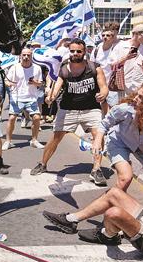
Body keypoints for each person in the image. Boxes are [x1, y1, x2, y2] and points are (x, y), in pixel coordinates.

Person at [31, 38, 108, 186]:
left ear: (84, 52)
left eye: (78, 51)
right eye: (72, 51)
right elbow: (56, 89)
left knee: (98, 136)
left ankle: (96, 169)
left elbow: (104, 87)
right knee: (56, 138)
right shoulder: (64, 69)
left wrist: (103, 94)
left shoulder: (94, 68)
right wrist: (50, 98)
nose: (75, 53)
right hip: (68, 110)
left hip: (91, 109)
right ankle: (43, 163)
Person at [3, 47, 45, 150]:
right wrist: (10, 84)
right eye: (24, 55)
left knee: (36, 118)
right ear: (20, 56)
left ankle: (34, 140)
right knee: (12, 118)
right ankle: (8, 141)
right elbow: (6, 81)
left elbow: (40, 83)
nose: (26, 57)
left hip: (31, 98)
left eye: (28, 55)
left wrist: (35, 82)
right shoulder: (14, 67)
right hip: (17, 97)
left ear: (31, 57)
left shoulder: (37, 68)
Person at [107, 24, 143, 97]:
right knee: (124, 107)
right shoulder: (121, 46)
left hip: (141, 87)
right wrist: (125, 58)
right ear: (136, 34)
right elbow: (111, 66)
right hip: (124, 87)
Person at [91, 22, 119, 112]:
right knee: (102, 109)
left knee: (113, 108)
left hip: (113, 84)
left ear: (113, 36)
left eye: (108, 35)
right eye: (103, 35)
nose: (105, 37)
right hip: (99, 83)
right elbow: (92, 64)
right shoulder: (97, 49)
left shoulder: (117, 48)